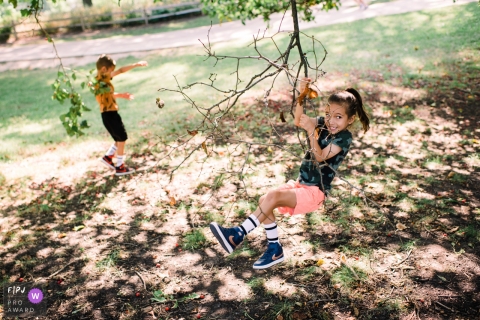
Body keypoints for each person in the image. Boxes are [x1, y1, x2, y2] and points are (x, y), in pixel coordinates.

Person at [210, 78, 370, 269]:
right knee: (265, 200)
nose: (330, 120)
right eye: (328, 114)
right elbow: (298, 120)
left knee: (274, 196)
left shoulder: (344, 137)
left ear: (350, 119)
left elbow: (319, 157)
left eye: (338, 117)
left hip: (315, 192)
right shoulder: (323, 124)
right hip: (301, 183)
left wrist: (312, 131)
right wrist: (302, 96)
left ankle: (238, 234)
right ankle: (274, 249)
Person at [94, 54, 148, 176]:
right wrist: (121, 95)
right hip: (109, 114)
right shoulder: (100, 82)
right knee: (122, 138)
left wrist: (135, 65)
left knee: (119, 138)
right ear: (104, 69)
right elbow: (107, 94)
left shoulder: (102, 79)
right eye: (111, 70)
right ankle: (120, 167)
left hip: (108, 114)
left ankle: (108, 157)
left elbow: (120, 71)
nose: (113, 73)